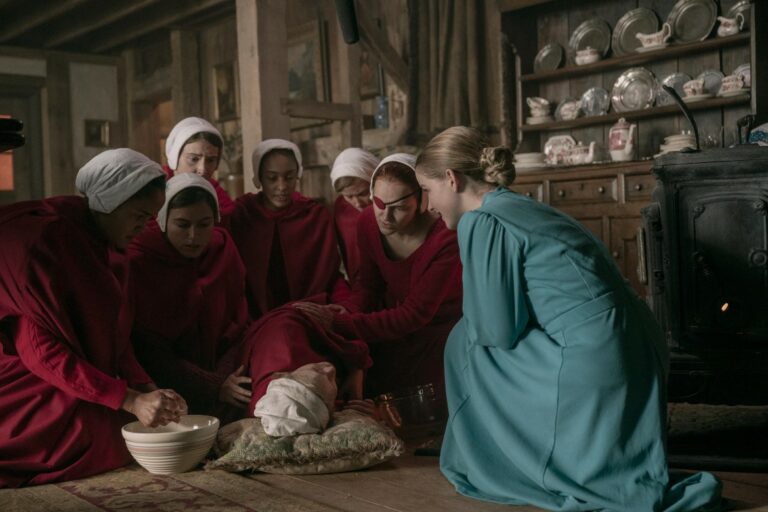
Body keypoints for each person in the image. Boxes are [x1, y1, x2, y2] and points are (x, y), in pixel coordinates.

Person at [413, 126, 722, 511]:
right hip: (639, 344)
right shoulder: (522, 205)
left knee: (465, 341)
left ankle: (501, 460)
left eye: (427, 190)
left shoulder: (482, 220)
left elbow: (497, 330)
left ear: (451, 178)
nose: (427, 206)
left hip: (596, 354)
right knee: (470, 335)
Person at [0, 149, 187, 488]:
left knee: (125, 427)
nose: (143, 227)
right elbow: (40, 352)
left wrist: (146, 387)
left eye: (150, 218)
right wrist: (130, 399)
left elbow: (115, 335)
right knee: (102, 433)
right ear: (110, 201)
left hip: (61, 365)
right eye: (139, 215)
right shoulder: (45, 245)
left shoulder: (109, 247)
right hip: (24, 370)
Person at [295, 154, 462, 398]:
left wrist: (341, 323)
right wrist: (348, 309)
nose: (385, 216)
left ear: (422, 200)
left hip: (440, 338)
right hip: (393, 332)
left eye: (399, 208)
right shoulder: (367, 221)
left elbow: (416, 314)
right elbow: (368, 286)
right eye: (379, 203)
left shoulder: (446, 238)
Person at [127, 173, 251, 420]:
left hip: (228, 375)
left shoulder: (222, 251)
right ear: (163, 221)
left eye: (204, 224)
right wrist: (213, 386)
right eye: (182, 225)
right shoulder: (142, 260)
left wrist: (226, 378)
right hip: (164, 387)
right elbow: (148, 349)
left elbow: (238, 323)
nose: (193, 236)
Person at [228, 139, 349, 319]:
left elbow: (331, 276)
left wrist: (345, 304)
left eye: (289, 177)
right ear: (259, 177)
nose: (282, 186)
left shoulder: (314, 215)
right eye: (272, 178)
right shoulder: (243, 214)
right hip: (253, 319)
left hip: (307, 315)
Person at [164, 116, 235, 218]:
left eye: (210, 160)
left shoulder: (215, 191)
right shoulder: (156, 189)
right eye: (194, 159)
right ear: (175, 158)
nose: (202, 169)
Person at [329, 147, 380, 281]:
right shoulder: (342, 209)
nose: (357, 203)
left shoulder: (388, 203)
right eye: (349, 196)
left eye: (363, 193)